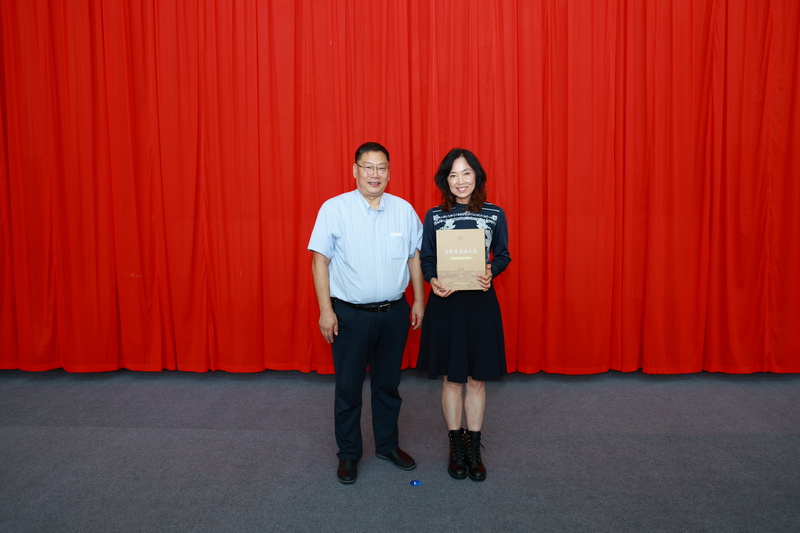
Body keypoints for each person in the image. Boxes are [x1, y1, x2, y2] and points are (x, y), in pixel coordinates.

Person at [308, 141, 425, 484]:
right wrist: (326, 310)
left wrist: (419, 300)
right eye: (368, 167)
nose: (375, 174)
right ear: (355, 170)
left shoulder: (403, 210)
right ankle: (348, 453)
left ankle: (388, 445)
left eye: (382, 167)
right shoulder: (334, 209)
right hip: (350, 315)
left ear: (389, 172)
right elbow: (319, 261)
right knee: (348, 387)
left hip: (393, 313)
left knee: (388, 384)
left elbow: (414, 258)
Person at [416, 148, 511, 482]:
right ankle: (455, 448)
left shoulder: (495, 213)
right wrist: (432, 279)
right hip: (447, 303)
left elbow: (504, 255)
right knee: (451, 379)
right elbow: (427, 258)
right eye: (453, 175)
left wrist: (492, 270)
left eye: (466, 173)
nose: (460, 181)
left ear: (477, 177)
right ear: (445, 180)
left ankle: (474, 448)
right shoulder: (434, 216)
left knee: (476, 379)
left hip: (480, 304)